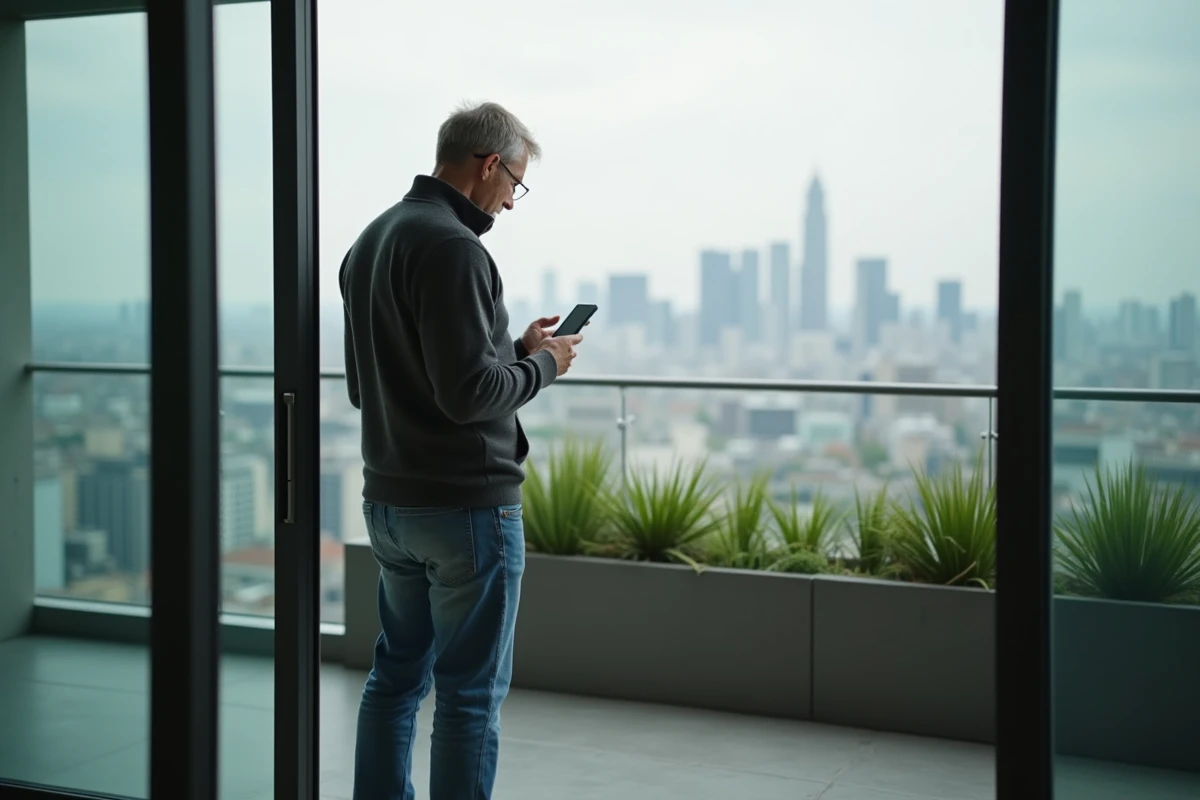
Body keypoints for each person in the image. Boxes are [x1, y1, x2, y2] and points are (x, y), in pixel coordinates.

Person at [339, 102, 582, 800]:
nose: (512, 200)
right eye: (515, 183)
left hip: (391, 503)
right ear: (489, 165)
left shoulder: (373, 239)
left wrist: (514, 350)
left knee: (396, 677)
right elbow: (470, 396)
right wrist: (547, 366)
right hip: (465, 512)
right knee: (470, 696)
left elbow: (376, 384)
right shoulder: (455, 247)